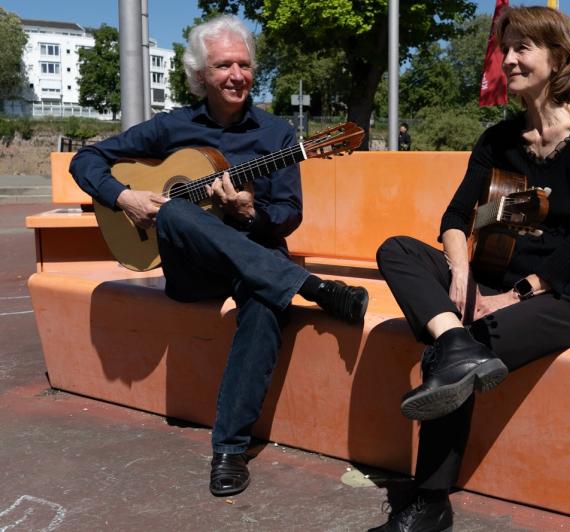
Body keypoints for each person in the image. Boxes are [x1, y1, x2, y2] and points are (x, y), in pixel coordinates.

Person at [69, 15, 369, 497]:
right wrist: (124, 197)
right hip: (194, 272)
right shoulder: (173, 126)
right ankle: (313, 288)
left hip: (257, 259)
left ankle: (229, 450)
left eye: (244, 65)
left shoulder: (276, 135)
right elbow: (86, 159)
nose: (236, 75)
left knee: (265, 301)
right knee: (174, 212)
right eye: (224, 65)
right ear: (200, 75)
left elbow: (288, 214)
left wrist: (249, 212)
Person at [371, 6, 570, 531]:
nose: (508, 60)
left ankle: (431, 503)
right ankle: (452, 337)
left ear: (558, 57)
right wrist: (460, 273)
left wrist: (512, 295)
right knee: (398, 250)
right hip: (487, 279)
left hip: (561, 297)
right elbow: (455, 217)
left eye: (522, 48)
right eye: (507, 49)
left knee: (453, 357)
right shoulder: (496, 140)